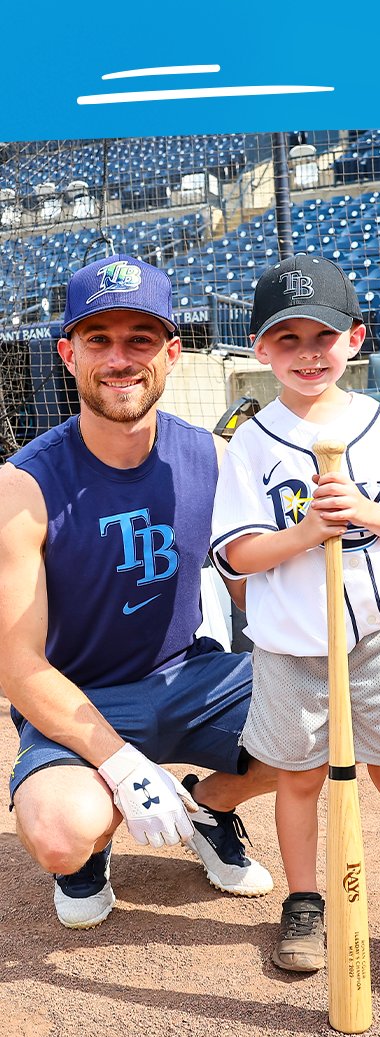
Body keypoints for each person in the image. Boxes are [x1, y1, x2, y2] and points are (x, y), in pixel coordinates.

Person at [0, 254, 276, 931]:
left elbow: (254, 597)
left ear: (171, 354)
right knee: (61, 830)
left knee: (328, 717)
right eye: (99, 339)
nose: (120, 359)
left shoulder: (212, 459)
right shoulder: (22, 486)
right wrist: (122, 765)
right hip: (79, 694)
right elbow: (15, 662)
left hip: (190, 676)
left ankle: (209, 807)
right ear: (68, 354)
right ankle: (90, 852)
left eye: (141, 339)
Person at [210, 253, 380, 987]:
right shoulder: (251, 442)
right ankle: (304, 904)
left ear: (356, 339)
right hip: (289, 645)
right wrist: (308, 531)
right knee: (299, 778)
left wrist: (366, 512)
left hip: (376, 635)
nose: (308, 353)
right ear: (260, 349)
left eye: (324, 336)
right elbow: (238, 555)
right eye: (288, 338)